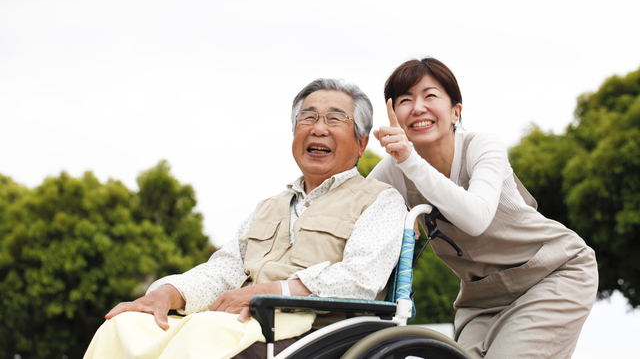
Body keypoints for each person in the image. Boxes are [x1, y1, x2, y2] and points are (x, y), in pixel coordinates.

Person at [84, 78, 407, 359]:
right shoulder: (268, 207)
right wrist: (164, 294)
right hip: (240, 320)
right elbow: (223, 271)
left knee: (204, 332)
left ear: (362, 142)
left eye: (335, 119)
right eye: (307, 118)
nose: (318, 128)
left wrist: (269, 291)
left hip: (314, 331)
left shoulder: (380, 200)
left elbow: (359, 281)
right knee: (125, 326)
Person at [369, 57, 598, 359]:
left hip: (552, 272)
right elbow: (354, 213)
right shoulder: (391, 170)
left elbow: (475, 219)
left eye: (430, 95)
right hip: (480, 300)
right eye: (405, 99)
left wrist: (410, 161)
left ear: (456, 112)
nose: (418, 107)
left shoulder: (483, 146)